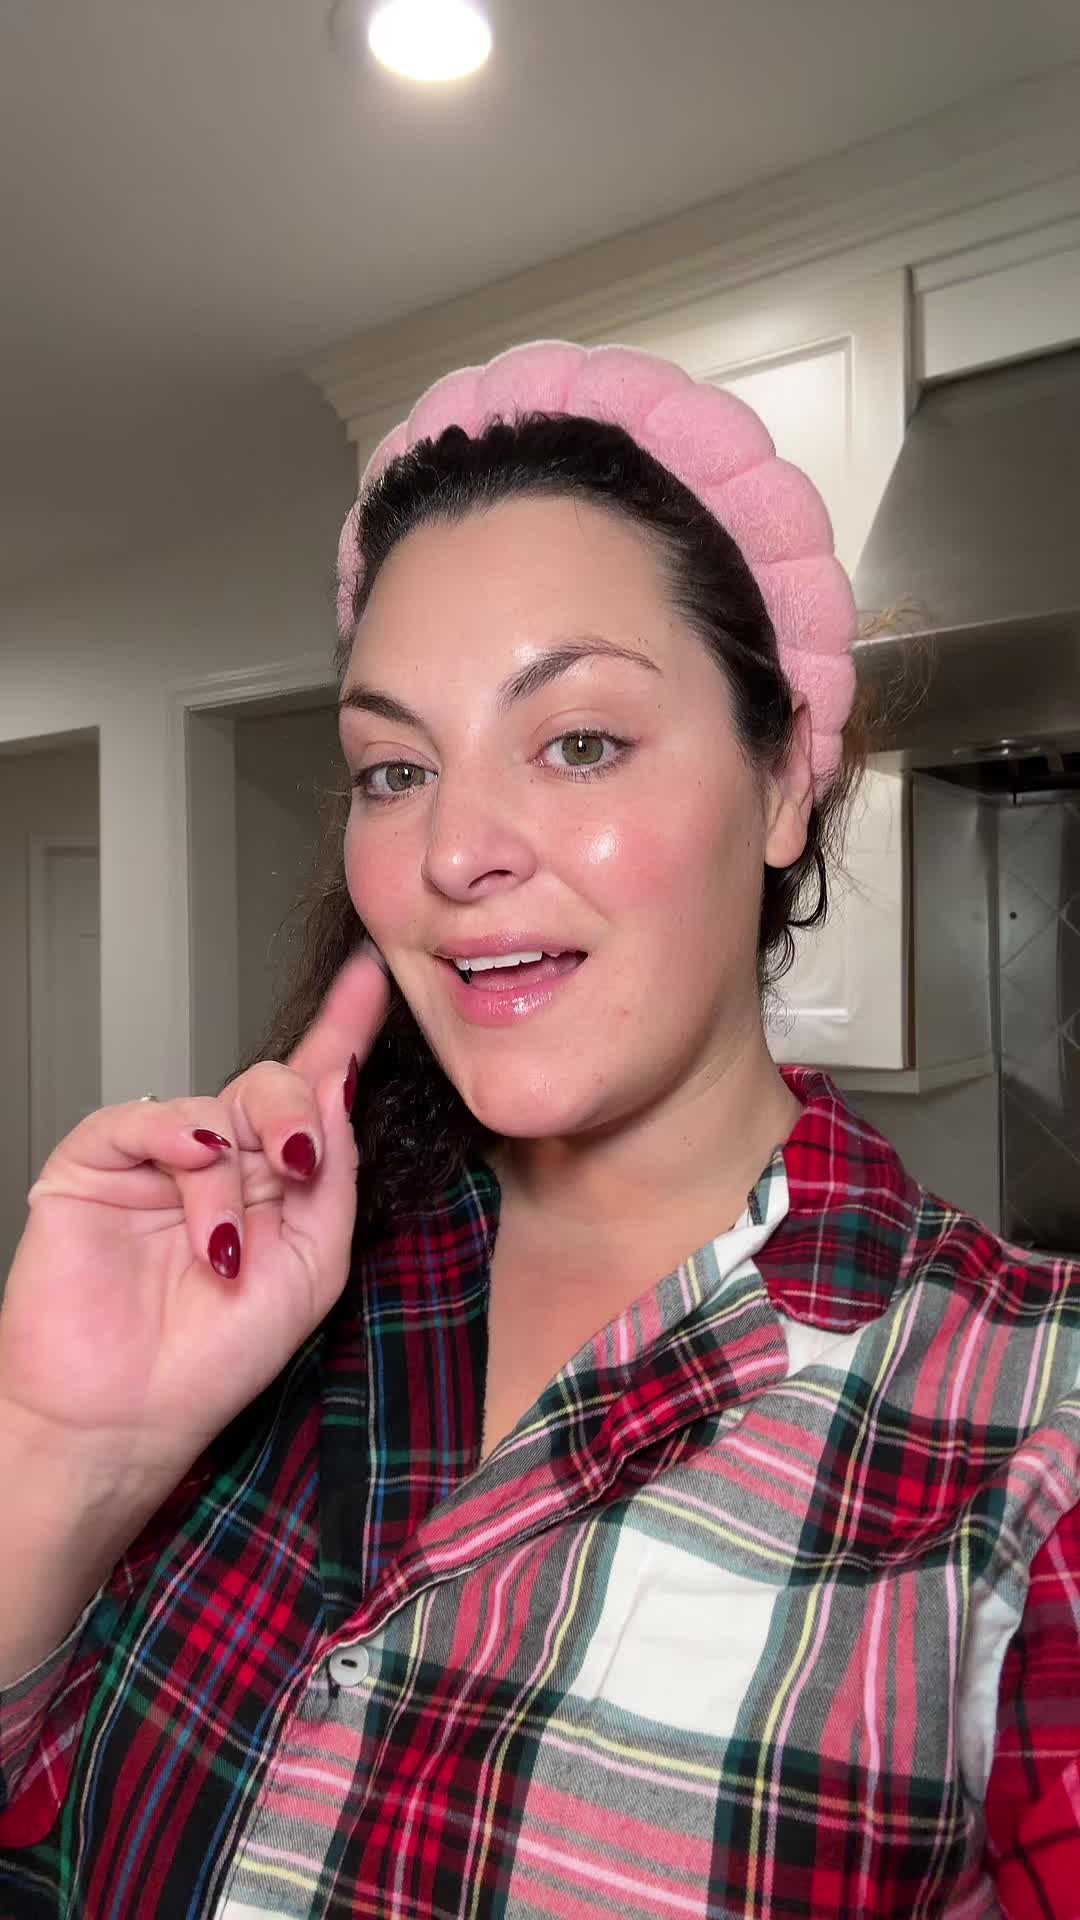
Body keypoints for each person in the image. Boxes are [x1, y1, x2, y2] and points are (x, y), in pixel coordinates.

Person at [0, 339, 1076, 1920]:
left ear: (787, 781)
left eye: (579, 742)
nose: (454, 852)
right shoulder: (281, 1303)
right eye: (394, 769)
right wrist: (65, 1458)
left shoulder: (1032, 1431)